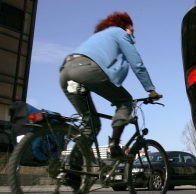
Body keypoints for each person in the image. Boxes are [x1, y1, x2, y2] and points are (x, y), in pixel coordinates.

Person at [60, 11, 161, 160]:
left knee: (91, 124)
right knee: (126, 101)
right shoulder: (119, 33)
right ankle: (114, 146)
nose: (133, 34)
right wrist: (151, 90)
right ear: (123, 26)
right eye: (131, 30)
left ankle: (72, 167)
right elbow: (137, 64)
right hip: (85, 70)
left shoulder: (98, 37)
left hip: (65, 72)